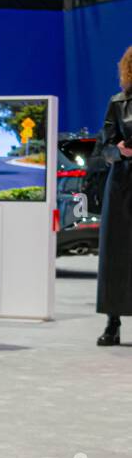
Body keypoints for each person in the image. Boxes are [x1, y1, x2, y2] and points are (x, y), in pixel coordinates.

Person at [94, 47, 132, 346]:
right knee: (114, 251)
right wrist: (118, 151)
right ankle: (113, 322)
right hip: (121, 183)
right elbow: (102, 150)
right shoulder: (117, 103)